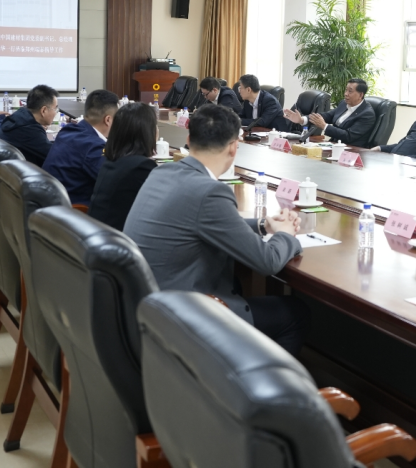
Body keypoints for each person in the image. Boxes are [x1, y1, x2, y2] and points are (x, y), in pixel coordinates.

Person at [124, 103, 310, 355]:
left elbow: (202, 223)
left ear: (188, 140)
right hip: (184, 316)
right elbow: (268, 262)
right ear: (234, 147)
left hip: (147, 306)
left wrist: (263, 225)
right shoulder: (211, 192)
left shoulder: (163, 171)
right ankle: (256, 380)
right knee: (295, 313)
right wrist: (286, 234)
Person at [89, 102, 159, 231]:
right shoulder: (141, 167)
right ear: (147, 132)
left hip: (99, 232)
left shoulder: (112, 161)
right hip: (118, 238)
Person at [42, 90, 118, 206]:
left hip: (50, 206)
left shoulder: (67, 131)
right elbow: (114, 182)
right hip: (74, 210)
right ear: (108, 120)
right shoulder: (93, 147)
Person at [283, 78, 375, 148]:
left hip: (351, 150)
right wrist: (302, 119)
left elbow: (348, 136)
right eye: (346, 90)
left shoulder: (367, 114)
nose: (346, 94)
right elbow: (327, 115)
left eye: (350, 91)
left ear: (361, 95)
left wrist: (325, 126)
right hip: (334, 146)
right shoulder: (344, 103)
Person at [0, 84, 58, 166]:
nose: (56, 112)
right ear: (44, 110)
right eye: (55, 108)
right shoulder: (30, 130)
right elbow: (56, 156)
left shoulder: (19, 116)